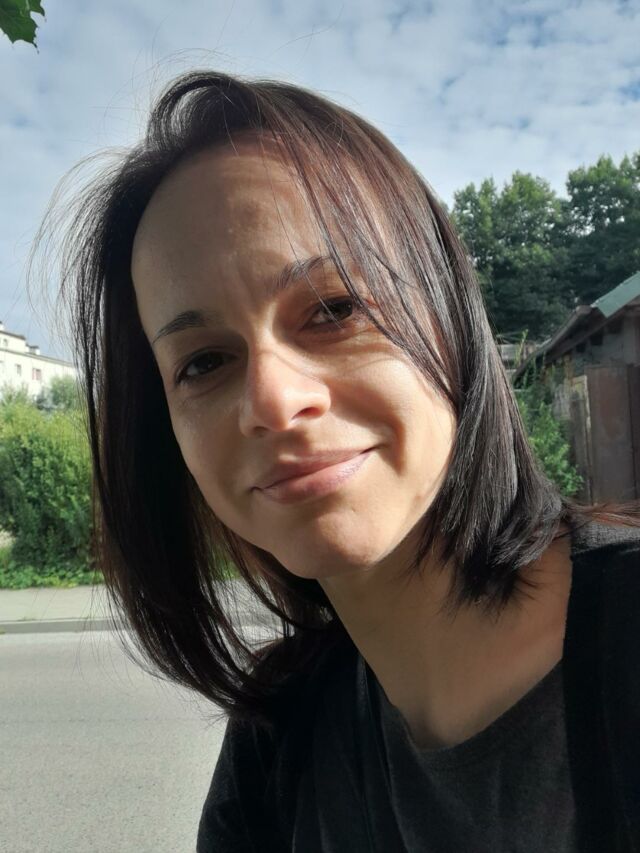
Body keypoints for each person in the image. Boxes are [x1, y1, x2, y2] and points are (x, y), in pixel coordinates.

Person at [43, 70, 640, 851]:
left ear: (450, 315)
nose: (271, 401)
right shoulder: (277, 740)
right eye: (204, 362)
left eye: (332, 309)